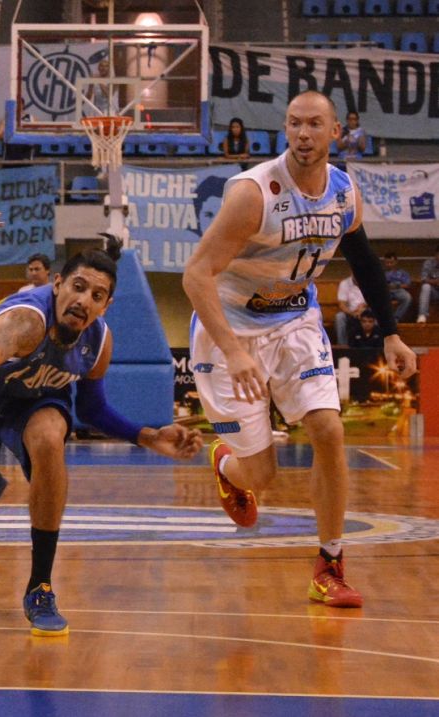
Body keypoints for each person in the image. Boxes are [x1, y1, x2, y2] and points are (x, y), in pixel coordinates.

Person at [182, 90, 416, 609]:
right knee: (260, 476)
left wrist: (391, 333)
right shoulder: (255, 194)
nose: (303, 134)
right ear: (284, 129)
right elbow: (196, 275)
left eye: (313, 124)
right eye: (294, 124)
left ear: (336, 132)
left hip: (294, 321)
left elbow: (364, 260)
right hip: (229, 329)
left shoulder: (343, 192)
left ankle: (329, 564)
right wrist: (234, 351)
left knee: (329, 430)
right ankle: (227, 466)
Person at [0, 239, 202, 635]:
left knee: (49, 437)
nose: (84, 300)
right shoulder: (28, 320)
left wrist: (148, 436)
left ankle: (40, 587)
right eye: (78, 287)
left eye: (96, 295)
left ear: (106, 306)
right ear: (58, 283)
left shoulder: (98, 341)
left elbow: (92, 409)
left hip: (34, 400)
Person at [335, 272, 367, 346]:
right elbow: (342, 304)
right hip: (349, 312)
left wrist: (363, 307)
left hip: (365, 311)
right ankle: (342, 345)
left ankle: (376, 345)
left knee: (378, 315)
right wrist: (352, 313)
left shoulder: (369, 282)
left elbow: (373, 300)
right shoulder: (344, 284)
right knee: (339, 317)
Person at [382, 251, 412, 322]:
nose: (389, 264)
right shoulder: (381, 272)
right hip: (385, 291)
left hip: (398, 290)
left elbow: (407, 285)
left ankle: (396, 318)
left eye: (391, 262)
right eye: (387, 262)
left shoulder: (403, 273)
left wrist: (397, 286)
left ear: (396, 262)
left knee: (407, 298)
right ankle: (382, 319)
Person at [416, 244, 439, 323]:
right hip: (433, 292)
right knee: (425, 286)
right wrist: (435, 282)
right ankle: (422, 315)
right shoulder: (428, 263)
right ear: (436, 254)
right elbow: (423, 279)